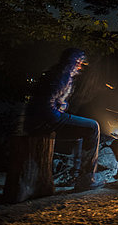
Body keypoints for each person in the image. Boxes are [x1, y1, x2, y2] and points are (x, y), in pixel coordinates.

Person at [24, 47, 103, 192]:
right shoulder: (62, 76)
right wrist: (59, 112)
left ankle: (76, 174)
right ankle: (86, 179)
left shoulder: (57, 73)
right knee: (93, 127)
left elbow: (51, 99)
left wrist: (62, 105)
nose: (80, 65)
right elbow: (45, 107)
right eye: (78, 62)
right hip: (44, 122)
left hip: (40, 119)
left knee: (84, 129)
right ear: (72, 62)